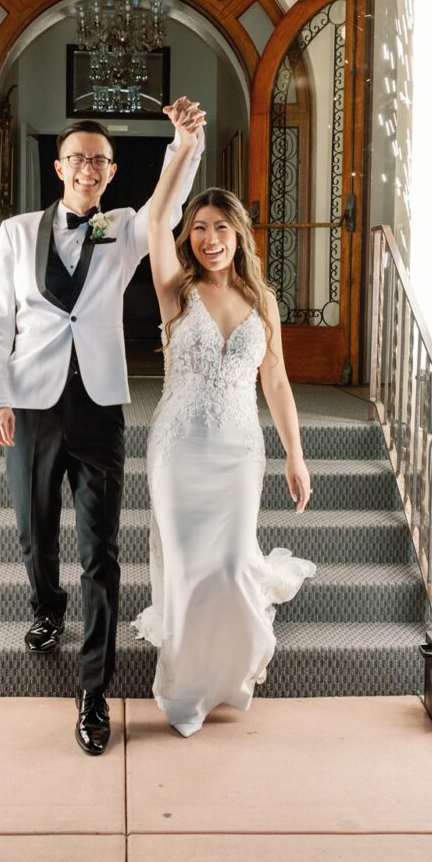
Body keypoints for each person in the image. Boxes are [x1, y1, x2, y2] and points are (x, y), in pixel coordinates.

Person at [0, 106, 202, 755]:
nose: (88, 168)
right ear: (59, 167)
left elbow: (169, 204)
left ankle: (93, 692)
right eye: (77, 158)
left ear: (111, 171)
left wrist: (186, 146)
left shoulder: (126, 228)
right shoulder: (19, 233)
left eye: (100, 160)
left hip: (99, 404)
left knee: (100, 551)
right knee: (34, 527)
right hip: (30, 403)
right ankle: (47, 609)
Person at [131, 162, 315, 737]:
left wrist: (295, 453)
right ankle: (185, 691)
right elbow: (156, 217)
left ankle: (228, 676)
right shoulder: (174, 289)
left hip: (238, 449)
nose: (210, 240)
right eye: (201, 228)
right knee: (188, 570)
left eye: (221, 229)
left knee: (232, 564)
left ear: (239, 235)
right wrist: (182, 150)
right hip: (179, 446)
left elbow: (277, 380)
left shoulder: (262, 300)